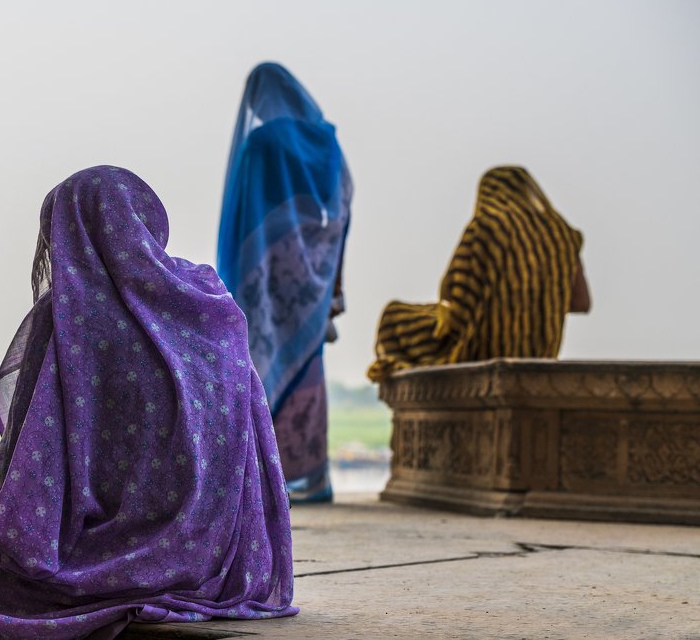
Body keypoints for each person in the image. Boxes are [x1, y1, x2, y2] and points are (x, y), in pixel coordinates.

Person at [0, 166, 297, 639]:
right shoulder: (209, 303)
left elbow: (33, 491)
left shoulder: (70, 316)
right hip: (216, 564)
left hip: (99, 562)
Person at [217, 63, 352, 504]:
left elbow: (242, 217)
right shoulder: (328, 145)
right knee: (307, 367)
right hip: (312, 278)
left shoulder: (260, 145)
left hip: (266, 274)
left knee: (259, 365)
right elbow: (343, 207)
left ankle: (263, 481)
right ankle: (309, 478)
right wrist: (330, 275)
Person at [368, 166, 590, 381]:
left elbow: (458, 300)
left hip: (481, 348)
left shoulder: (488, 225)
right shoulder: (563, 235)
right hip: (542, 351)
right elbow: (581, 302)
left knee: (393, 315)